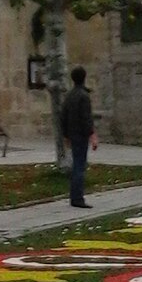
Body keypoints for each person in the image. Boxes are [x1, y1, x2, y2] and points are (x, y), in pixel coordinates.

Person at [59, 65, 98, 208]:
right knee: (79, 166)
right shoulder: (83, 96)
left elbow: (63, 116)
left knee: (77, 164)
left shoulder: (69, 96)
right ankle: (77, 198)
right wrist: (92, 136)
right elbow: (86, 118)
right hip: (81, 135)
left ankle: (74, 196)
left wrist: (65, 135)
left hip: (72, 134)